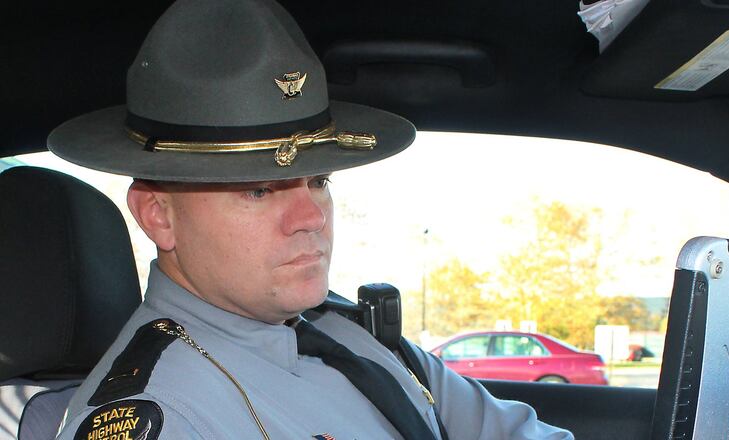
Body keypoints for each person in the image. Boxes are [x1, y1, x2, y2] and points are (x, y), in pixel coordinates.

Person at [50, 0, 574, 438]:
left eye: (319, 181)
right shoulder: (165, 412)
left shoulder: (350, 333)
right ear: (158, 215)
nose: (310, 217)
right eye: (258, 190)